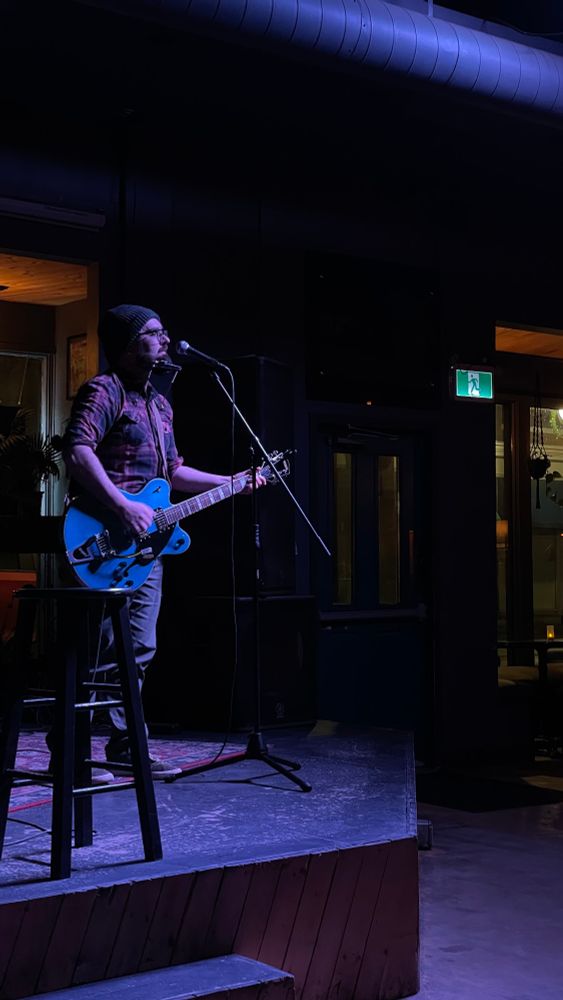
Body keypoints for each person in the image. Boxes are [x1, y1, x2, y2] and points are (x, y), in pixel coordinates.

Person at [53, 304, 265, 781]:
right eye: (153, 333)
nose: (165, 339)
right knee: (100, 648)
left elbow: (171, 473)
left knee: (139, 649)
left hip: (146, 551)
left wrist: (232, 481)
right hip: (102, 537)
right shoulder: (104, 390)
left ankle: (125, 745)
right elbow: (78, 450)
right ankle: (68, 751)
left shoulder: (160, 404)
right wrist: (123, 506)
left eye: (164, 331)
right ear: (129, 344)